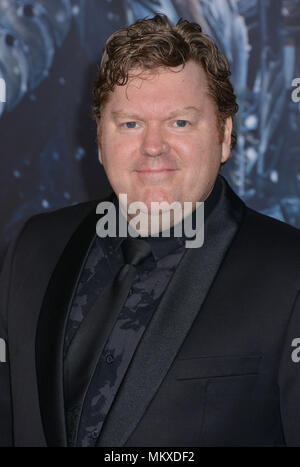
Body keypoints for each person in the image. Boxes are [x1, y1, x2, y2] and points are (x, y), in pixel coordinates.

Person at [0, 13, 300, 447]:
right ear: (100, 141)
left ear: (225, 136)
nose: (153, 146)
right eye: (130, 123)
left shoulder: (289, 272)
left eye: (180, 122)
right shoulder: (33, 247)